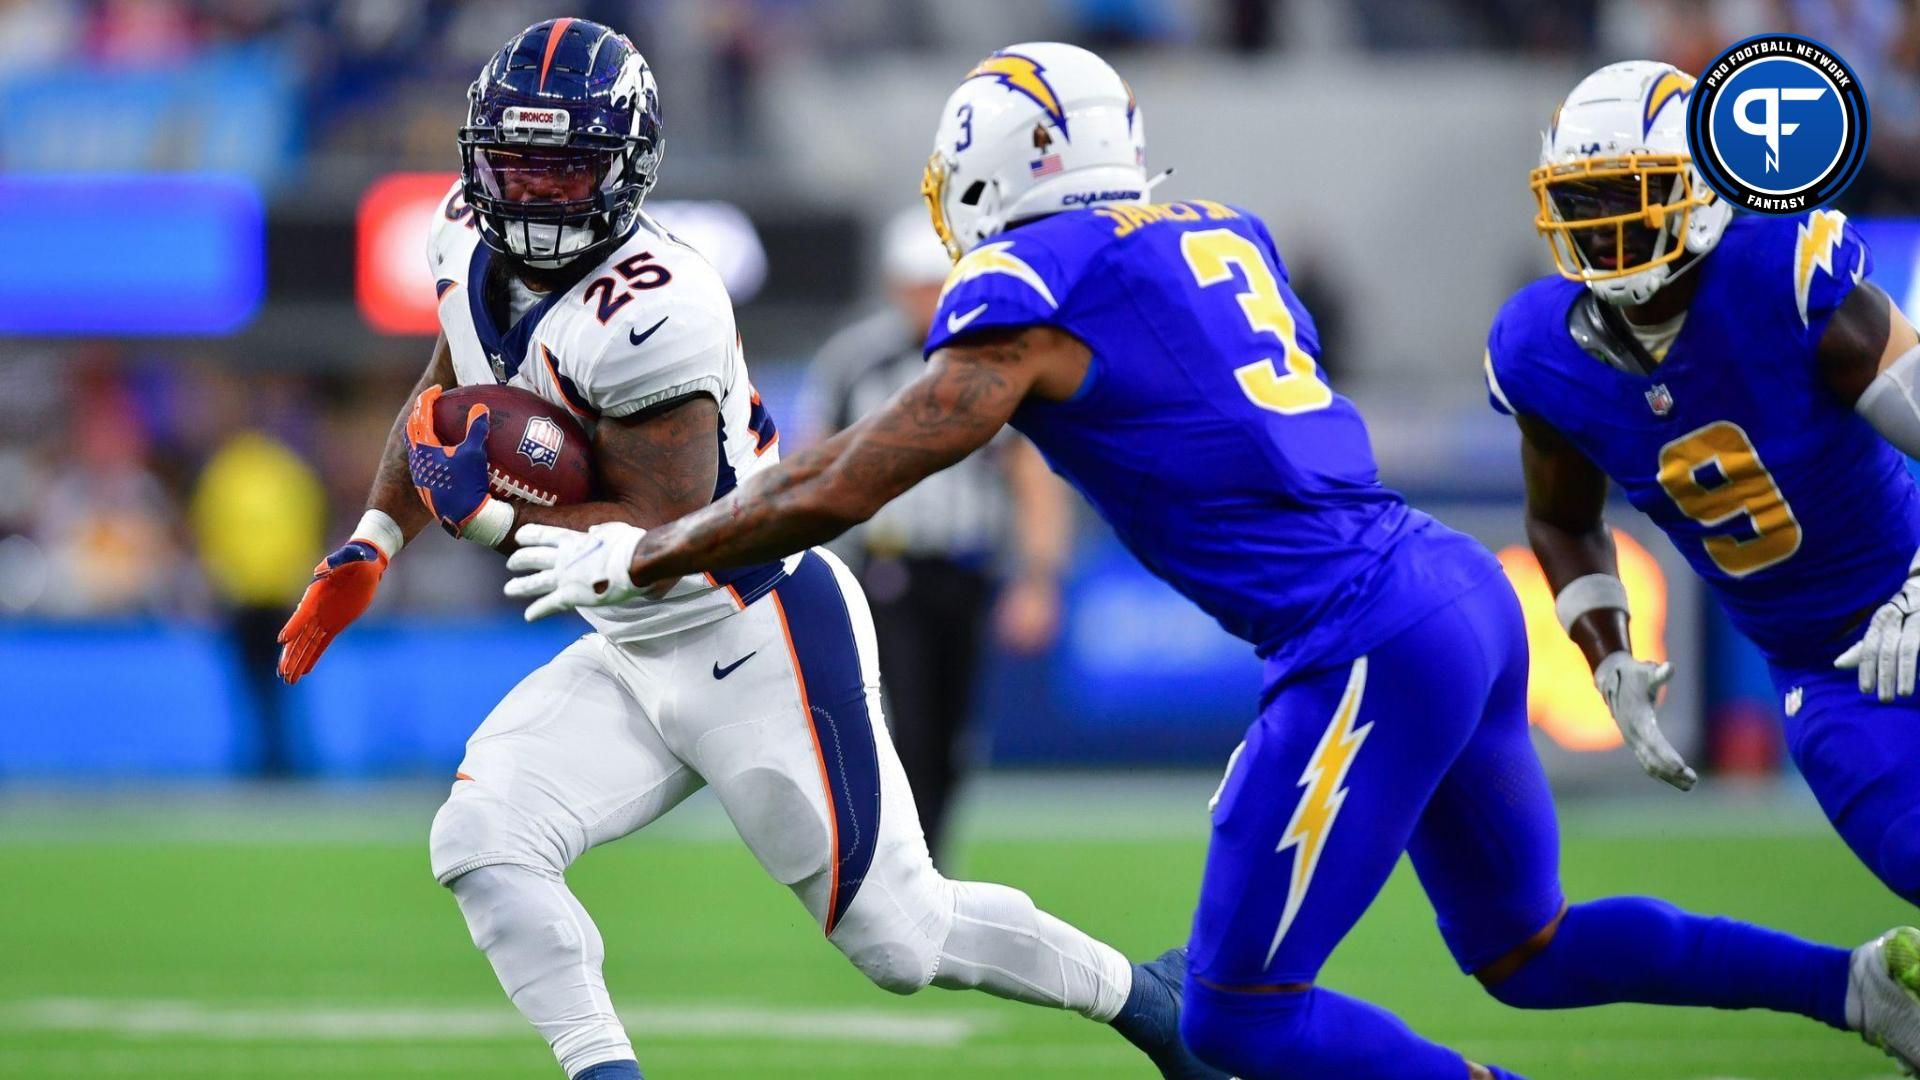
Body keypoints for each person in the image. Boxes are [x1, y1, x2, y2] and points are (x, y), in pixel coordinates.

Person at [503, 41, 1920, 1079]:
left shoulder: (1035, 283)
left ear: (1000, 167)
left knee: (1238, 1014)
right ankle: (1862, 993)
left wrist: (661, 551)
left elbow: (871, 461)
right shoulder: (1209, 228)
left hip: (1360, 630)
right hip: (1443, 589)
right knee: (1525, 949)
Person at [273, 20, 1211, 1080]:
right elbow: (446, 393)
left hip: (746, 622)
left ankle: (1150, 1002)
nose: (532, 195)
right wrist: (374, 536)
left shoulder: (656, 307)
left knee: (901, 940)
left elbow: (661, 530)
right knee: (483, 841)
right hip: (629, 645)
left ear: (626, 167)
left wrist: (485, 517)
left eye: (563, 166)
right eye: (515, 162)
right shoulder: (457, 235)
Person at [1486, 61, 1920, 900]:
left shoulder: (1778, 276)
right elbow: (1563, 521)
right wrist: (1607, 657)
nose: (1606, 225)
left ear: (1704, 188)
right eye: (1585, 201)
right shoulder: (1540, 352)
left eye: (1631, 193)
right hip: (1825, 673)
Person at [804, 206, 1069, 867]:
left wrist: (1039, 578)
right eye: (917, 283)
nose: (928, 298)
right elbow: (808, 465)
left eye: (938, 283)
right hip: (889, 567)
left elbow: (1030, 474)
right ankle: (905, 866)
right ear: (896, 285)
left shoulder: (993, 359)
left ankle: (927, 860)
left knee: (953, 735)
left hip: (971, 568)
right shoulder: (858, 361)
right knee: (910, 723)